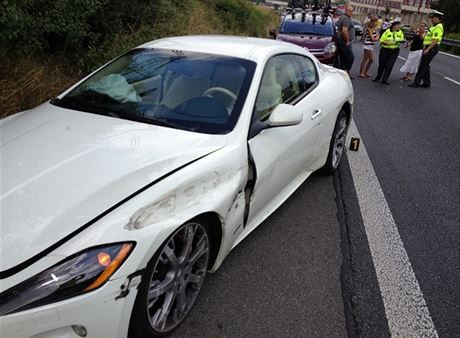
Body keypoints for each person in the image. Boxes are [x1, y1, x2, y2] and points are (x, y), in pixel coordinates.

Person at [408, 11, 444, 88]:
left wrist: (428, 49)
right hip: (429, 47)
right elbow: (428, 38)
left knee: (422, 66)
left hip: (432, 48)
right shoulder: (434, 26)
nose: (431, 19)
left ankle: (416, 82)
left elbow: (435, 40)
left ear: (438, 18)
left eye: (433, 18)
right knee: (426, 66)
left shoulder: (438, 27)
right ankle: (427, 83)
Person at [373, 17, 405, 85]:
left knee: (390, 65)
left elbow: (402, 39)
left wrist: (400, 41)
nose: (399, 26)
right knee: (382, 65)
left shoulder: (400, 32)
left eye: (399, 24)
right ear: (394, 25)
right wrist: (388, 42)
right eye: (398, 24)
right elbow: (382, 41)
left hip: (394, 51)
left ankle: (385, 79)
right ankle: (378, 77)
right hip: (385, 50)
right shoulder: (387, 32)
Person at [336, 5, 356, 78]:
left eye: (352, 11)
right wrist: (347, 41)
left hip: (342, 41)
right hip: (344, 41)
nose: (351, 12)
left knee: (343, 58)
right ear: (346, 10)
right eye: (349, 11)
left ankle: (344, 74)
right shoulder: (345, 19)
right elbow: (344, 31)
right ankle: (344, 73)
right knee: (350, 58)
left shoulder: (345, 17)